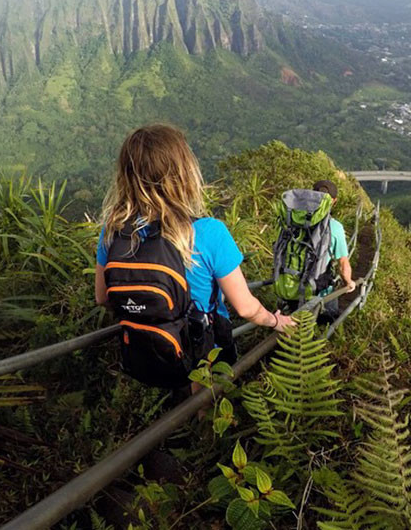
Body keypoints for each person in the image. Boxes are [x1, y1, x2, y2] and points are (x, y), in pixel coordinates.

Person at [94, 125, 294, 373]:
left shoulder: (113, 232)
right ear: (183, 173)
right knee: (203, 402)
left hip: (147, 353)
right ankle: (201, 411)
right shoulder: (210, 232)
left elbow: (103, 297)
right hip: (204, 356)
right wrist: (275, 321)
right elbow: (246, 308)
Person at [312, 179, 355, 319]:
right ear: (334, 201)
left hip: (288, 286)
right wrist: (349, 283)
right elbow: (343, 264)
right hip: (318, 291)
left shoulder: (292, 220)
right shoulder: (334, 227)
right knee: (328, 325)